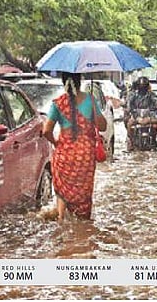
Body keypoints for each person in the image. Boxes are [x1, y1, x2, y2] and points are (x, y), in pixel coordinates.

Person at [42, 72, 107, 222]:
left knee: (62, 191)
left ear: (63, 82)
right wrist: (93, 110)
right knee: (83, 193)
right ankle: (83, 226)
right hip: (85, 156)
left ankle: (60, 221)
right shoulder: (90, 100)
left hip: (64, 154)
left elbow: (46, 131)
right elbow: (102, 126)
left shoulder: (57, 103)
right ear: (80, 81)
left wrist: (56, 143)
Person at [125, 76, 157, 150]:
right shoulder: (133, 95)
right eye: (141, 86)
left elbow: (155, 100)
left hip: (149, 115)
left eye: (144, 86)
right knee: (129, 124)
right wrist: (128, 108)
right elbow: (129, 103)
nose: (142, 88)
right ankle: (131, 142)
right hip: (136, 115)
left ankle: (154, 140)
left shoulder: (151, 94)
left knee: (155, 125)